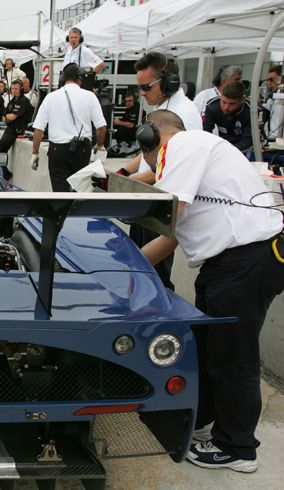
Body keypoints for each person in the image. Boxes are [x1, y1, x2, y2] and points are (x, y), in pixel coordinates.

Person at [137, 109, 283, 474]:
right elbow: (170, 237)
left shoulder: (185, 144)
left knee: (233, 356)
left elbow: (165, 212)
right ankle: (202, 419)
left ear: (153, 137)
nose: (156, 167)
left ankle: (237, 447)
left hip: (244, 261)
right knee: (209, 347)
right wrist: (128, 267)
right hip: (232, 264)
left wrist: (118, 200)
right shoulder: (197, 154)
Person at [116, 52, 203, 290]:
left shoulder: (183, 114)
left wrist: (130, 181)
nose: (142, 93)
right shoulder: (162, 107)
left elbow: (175, 166)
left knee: (156, 277)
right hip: (147, 198)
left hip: (161, 204)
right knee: (140, 271)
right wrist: (122, 172)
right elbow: (148, 152)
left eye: (146, 87)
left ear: (167, 83)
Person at [31, 63, 107, 192]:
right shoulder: (90, 96)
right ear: (79, 79)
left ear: (63, 78)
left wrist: (35, 152)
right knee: (81, 189)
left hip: (58, 150)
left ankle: (62, 212)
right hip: (82, 149)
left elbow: (38, 129)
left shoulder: (51, 97)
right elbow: (101, 127)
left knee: (60, 192)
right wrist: (99, 145)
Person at [0, 79, 34, 179]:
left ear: (21, 89)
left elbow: (12, 117)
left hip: (17, 130)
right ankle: (3, 172)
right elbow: (5, 116)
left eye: (16, 89)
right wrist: (7, 116)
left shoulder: (24, 101)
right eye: (12, 89)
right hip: (9, 128)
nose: (14, 91)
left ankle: (5, 173)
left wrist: (7, 117)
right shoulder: (12, 101)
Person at [203, 81, 252, 155]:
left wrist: (228, 150)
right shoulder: (212, 107)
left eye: (232, 104)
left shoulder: (251, 112)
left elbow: (249, 140)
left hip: (244, 150)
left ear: (242, 100)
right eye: (223, 102)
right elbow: (206, 133)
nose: (226, 107)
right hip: (221, 147)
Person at [263, 65, 283, 140]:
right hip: (269, 140)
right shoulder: (271, 99)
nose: (268, 83)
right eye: (267, 80)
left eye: (271, 80)